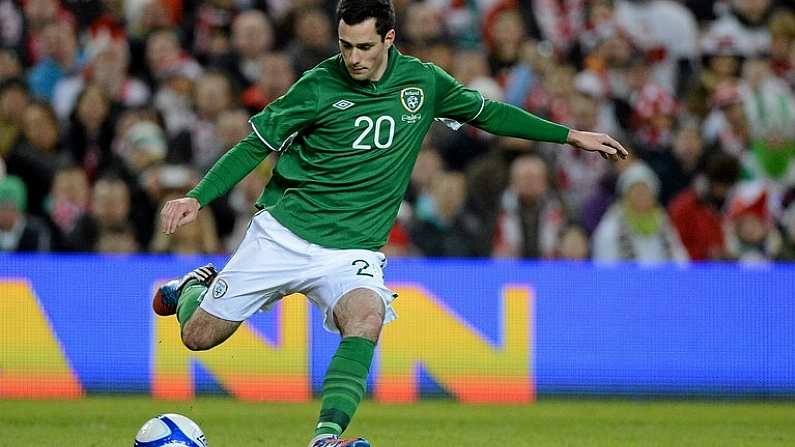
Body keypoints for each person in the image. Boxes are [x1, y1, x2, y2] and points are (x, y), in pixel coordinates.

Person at [154, 2, 628, 446]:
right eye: (345, 46)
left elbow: (489, 114)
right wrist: (199, 197)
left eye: (364, 46)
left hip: (352, 250)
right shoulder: (318, 85)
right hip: (283, 234)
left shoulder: (423, 83)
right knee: (197, 337)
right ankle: (192, 288)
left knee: (366, 316)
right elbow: (256, 144)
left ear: (390, 38)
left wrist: (570, 136)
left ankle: (326, 436)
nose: (353, 58)